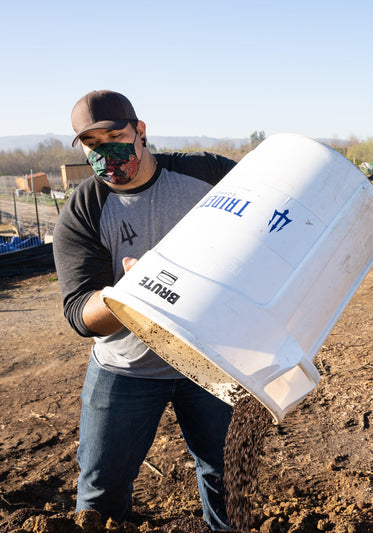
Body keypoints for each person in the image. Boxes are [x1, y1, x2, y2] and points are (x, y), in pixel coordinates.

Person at [53, 90, 238, 529]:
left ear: (140, 130)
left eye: (115, 135)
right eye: (92, 145)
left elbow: (270, 206)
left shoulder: (205, 173)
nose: (106, 152)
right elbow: (80, 312)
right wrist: (131, 293)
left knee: (226, 472)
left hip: (211, 360)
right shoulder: (83, 211)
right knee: (102, 488)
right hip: (126, 368)